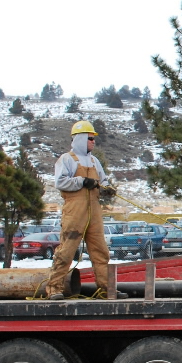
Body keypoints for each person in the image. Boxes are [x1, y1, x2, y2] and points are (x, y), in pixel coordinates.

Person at [45, 120, 125, 300]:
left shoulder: (95, 161)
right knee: (66, 250)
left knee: (100, 251)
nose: (93, 142)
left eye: (94, 139)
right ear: (80, 139)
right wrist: (81, 181)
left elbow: (103, 181)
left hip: (94, 211)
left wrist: (106, 188)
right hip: (75, 210)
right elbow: (61, 182)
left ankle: (106, 289)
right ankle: (54, 288)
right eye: (90, 138)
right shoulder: (66, 159)